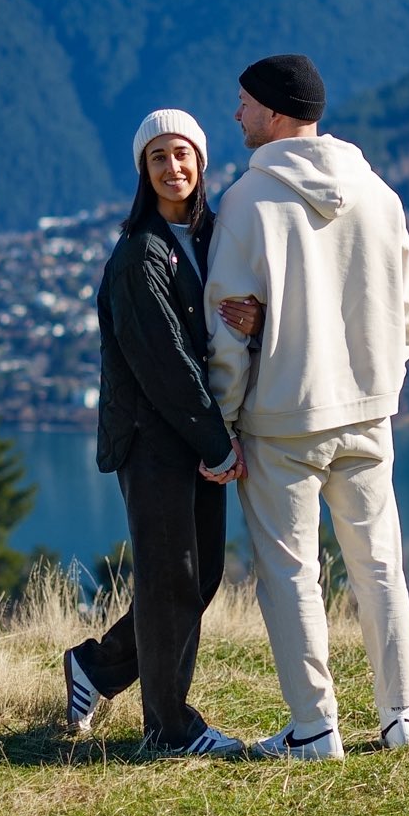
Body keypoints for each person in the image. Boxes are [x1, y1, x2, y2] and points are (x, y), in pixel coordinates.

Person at [204, 54, 409, 761]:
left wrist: (223, 420)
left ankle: (315, 727)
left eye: (244, 102)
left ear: (273, 112)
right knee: (380, 563)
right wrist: (375, 383)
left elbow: (227, 332)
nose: (236, 114)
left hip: (283, 419)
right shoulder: (379, 196)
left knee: (292, 573)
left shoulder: (247, 202)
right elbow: (407, 317)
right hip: (367, 414)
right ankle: (400, 717)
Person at [63, 109, 256, 757]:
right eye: (157, 157)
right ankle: (169, 730)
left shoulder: (208, 239)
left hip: (197, 433)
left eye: (182, 154)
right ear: (143, 172)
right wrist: (217, 444)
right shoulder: (140, 254)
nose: (172, 167)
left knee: (199, 577)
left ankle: (96, 668)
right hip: (153, 440)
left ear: (200, 161)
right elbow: (165, 363)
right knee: (172, 577)